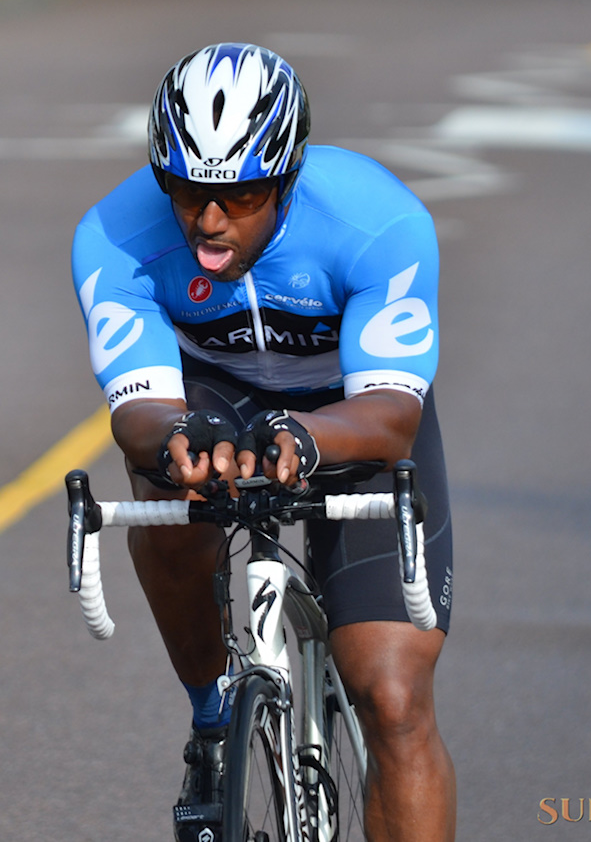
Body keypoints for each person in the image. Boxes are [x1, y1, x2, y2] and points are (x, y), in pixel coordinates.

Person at [70, 44, 456, 842]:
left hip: (348, 411)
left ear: (287, 176)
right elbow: (138, 411)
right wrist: (177, 439)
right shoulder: (114, 235)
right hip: (213, 392)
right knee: (166, 480)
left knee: (392, 698)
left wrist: (304, 436)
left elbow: (390, 415)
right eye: (186, 191)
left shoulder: (378, 222)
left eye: (241, 195)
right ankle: (213, 718)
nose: (209, 222)